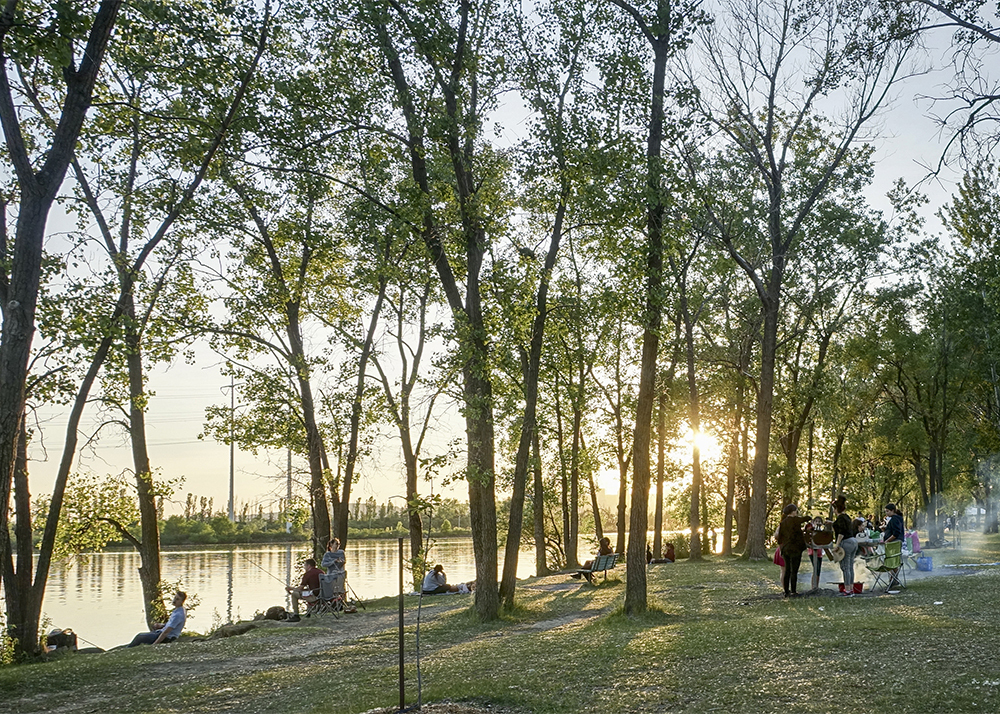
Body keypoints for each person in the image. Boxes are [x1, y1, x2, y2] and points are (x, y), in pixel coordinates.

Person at [776, 504, 811, 597]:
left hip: (786, 548)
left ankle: (786, 591)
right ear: (793, 511)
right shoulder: (796, 520)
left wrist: (781, 548)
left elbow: (780, 537)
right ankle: (793, 590)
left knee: (787, 570)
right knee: (794, 570)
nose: (796, 512)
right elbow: (807, 518)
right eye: (796, 510)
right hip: (795, 548)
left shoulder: (783, 522)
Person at [831, 495, 859, 596]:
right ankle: (850, 587)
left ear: (836, 509)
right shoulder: (846, 517)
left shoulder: (840, 519)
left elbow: (841, 533)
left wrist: (837, 545)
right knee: (850, 566)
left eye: (834, 509)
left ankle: (847, 590)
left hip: (846, 542)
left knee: (845, 567)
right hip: (853, 541)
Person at [805, 517, 824, 592]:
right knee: (815, 569)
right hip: (812, 552)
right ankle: (813, 586)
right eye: (816, 521)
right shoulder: (811, 530)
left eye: (819, 521)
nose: (818, 522)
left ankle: (816, 586)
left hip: (819, 552)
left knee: (818, 570)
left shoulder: (821, 531)